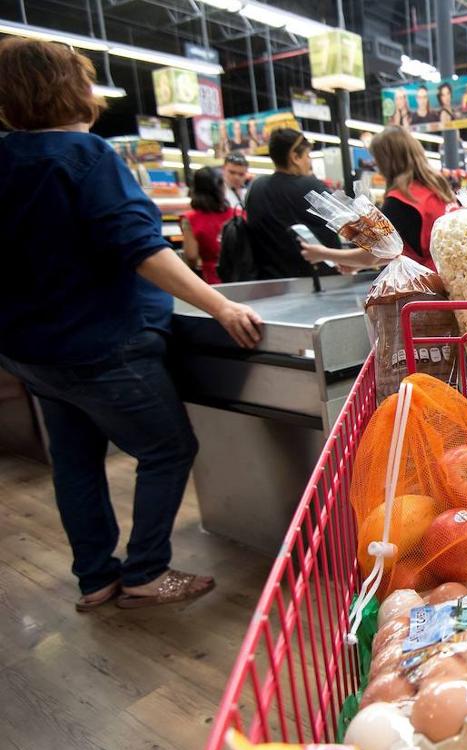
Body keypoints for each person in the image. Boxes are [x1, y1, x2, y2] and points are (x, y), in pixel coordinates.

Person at [0, 38, 263, 610]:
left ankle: (96, 577)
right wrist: (219, 305)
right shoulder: (84, 156)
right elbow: (139, 247)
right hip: (102, 345)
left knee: (74, 461)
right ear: (71, 89)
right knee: (167, 448)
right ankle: (145, 569)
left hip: (30, 351)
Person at [303, 127, 455, 273]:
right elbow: (393, 249)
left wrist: (323, 254)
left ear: (386, 161)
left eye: (377, 159)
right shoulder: (439, 189)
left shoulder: (402, 199)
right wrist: (357, 265)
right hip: (458, 279)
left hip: (432, 287)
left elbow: (370, 256)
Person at [244, 127, 341, 279]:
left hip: (270, 283)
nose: (309, 162)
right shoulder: (311, 187)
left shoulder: (256, 187)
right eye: (307, 155)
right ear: (295, 157)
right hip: (317, 281)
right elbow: (345, 224)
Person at [180, 167, 235, 285]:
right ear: (221, 187)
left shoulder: (190, 219)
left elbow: (191, 256)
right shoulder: (238, 215)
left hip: (211, 279)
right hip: (241, 276)